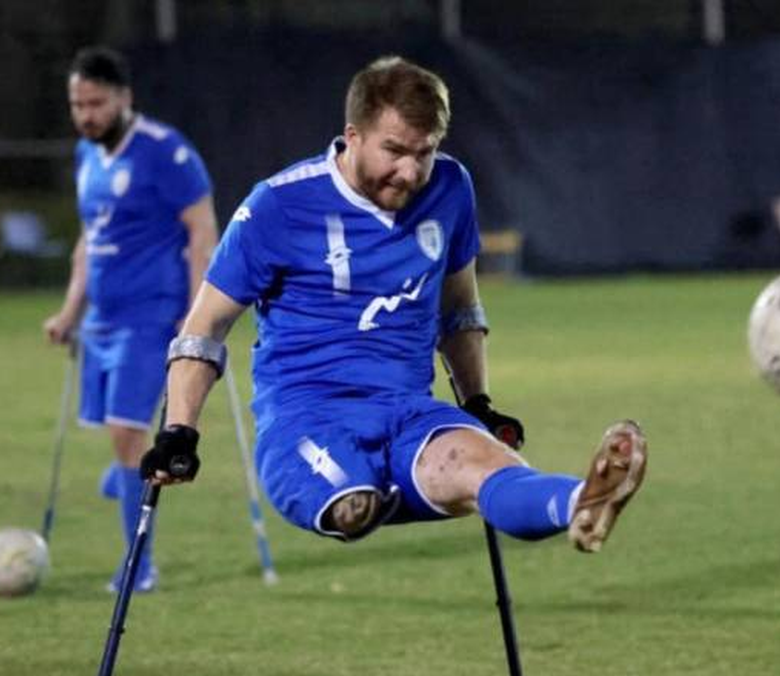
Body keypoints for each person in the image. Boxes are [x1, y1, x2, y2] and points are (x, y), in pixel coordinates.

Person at [141, 56, 646, 554]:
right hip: (306, 419)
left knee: (488, 467)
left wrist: (477, 405)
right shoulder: (278, 205)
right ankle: (352, 503)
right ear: (352, 134)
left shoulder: (450, 187)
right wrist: (179, 432)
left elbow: (460, 310)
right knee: (348, 494)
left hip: (408, 413)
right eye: (395, 150)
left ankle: (583, 502)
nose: (410, 172)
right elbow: (203, 328)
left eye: (425, 152)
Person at [44, 46, 218, 592]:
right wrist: (71, 311)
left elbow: (202, 232)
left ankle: (139, 565)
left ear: (124, 99)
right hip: (103, 319)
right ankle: (122, 478)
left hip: (152, 315)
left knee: (127, 432)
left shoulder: (166, 153)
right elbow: (88, 240)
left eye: (95, 103)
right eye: (78, 104)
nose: (86, 114)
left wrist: (197, 322)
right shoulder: (85, 156)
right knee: (117, 438)